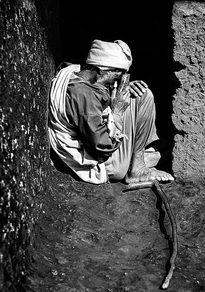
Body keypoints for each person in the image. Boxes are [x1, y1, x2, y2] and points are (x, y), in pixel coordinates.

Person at [48, 39, 174, 185]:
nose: (116, 83)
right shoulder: (84, 95)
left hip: (97, 139)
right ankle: (138, 166)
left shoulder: (78, 72)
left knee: (142, 95)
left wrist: (124, 90)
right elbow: (102, 148)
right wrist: (118, 113)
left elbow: (99, 101)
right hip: (101, 162)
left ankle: (140, 161)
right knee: (164, 152)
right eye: (117, 77)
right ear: (105, 70)